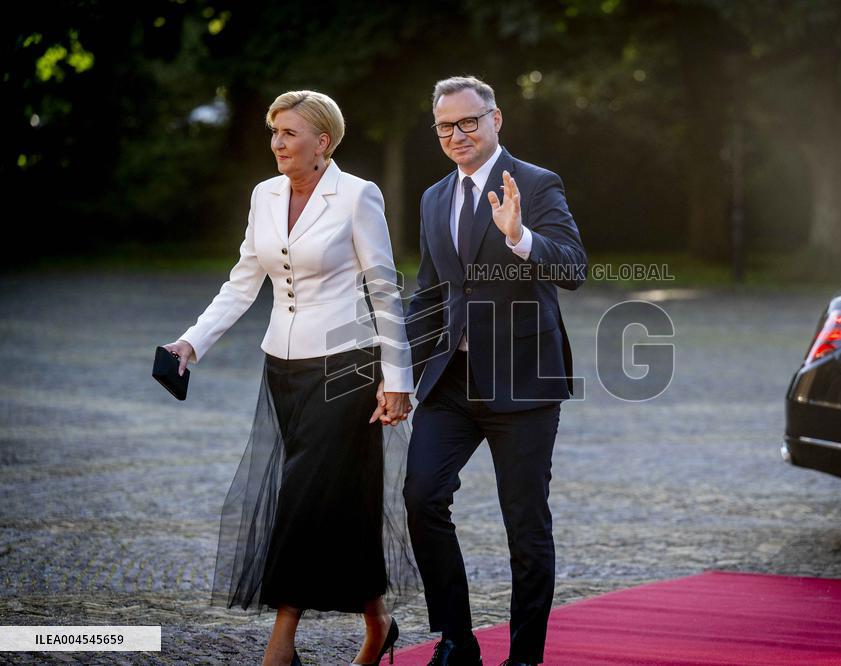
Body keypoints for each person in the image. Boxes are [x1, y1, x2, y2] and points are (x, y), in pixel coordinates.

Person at [161, 90, 415, 666]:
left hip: (348, 368)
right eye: (274, 132)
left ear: (322, 142)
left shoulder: (357, 196)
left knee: (299, 495)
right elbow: (244, 280)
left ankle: (282, 644)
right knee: (338, 502)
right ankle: (379, 626)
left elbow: (384, 289)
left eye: (290, 133)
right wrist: (191, 341)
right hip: (282, 366)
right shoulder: (265, 195)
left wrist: (397, 377)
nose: (277, 143)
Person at [403, 76, 587, 666]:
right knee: (422, 496)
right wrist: (395, 369)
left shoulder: (535, 184)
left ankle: (525, 657)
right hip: (450, 383)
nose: (457, 135)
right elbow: (431, 292)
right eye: (445, 126)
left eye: (468, 122)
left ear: (495, 119)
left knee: (525, 526)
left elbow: (574, 266)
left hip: (523, 381)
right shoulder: (434, 197)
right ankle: (457, 641)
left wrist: (521, 236)